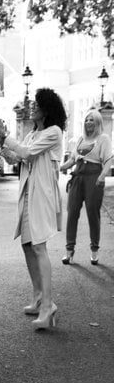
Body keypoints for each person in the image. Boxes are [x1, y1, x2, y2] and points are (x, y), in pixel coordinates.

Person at [0, 88, 67, 331]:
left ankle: (48, 305)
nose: (32, 108)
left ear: (47, 108)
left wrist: (5, 135)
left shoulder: (53, 132)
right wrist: (1, 143)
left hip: (41, 195)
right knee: (27, 244)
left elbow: (26, 152)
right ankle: (37, 297)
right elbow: (17, 159)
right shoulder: (33, 132)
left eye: (36, 105)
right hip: (27, 193)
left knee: (38, 246)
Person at [60, 108, 113, 266]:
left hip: (94, 177)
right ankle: (69, 252)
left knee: (92, 213)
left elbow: (109, 160)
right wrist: (59, 167)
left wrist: (102, 176)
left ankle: (94, 251)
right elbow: (72, 160)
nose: (88, 122)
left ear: (98, 123)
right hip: (78, 176)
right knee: (72, 213)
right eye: (87, 119)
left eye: (92, 120)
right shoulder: (80, 139)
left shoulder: (103, 139)